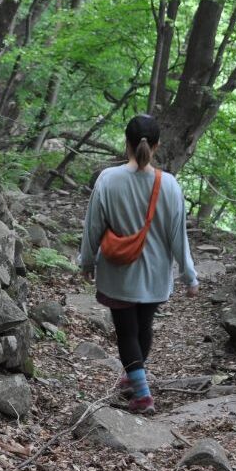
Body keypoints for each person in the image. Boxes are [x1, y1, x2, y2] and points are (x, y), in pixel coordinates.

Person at [77, 114, 198, 414]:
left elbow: (93, 226)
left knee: (126, 333)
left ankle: (142, 396)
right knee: (143, 328)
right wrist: (189, 276)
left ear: (126, 143)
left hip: (118, 273)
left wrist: (87, 260)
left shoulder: (108, 179)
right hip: (156, 276)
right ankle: (134, 378)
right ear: (156, 145)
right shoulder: (169, 185)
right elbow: (178, 237)